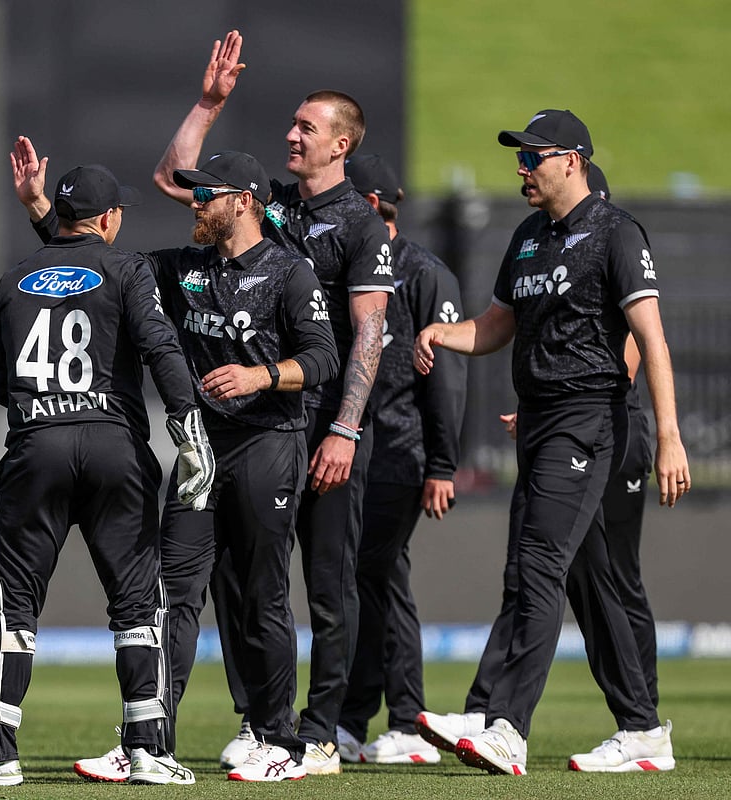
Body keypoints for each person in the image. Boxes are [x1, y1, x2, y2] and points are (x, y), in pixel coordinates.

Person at [14, 140, 339, 781]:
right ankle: (148, 741)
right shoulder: (183, 267)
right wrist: (40, 208)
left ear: (243, 202)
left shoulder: (289, 271)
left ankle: (279, 742)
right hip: (201, 452)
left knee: (263, 597)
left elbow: (324, 356)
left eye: (206, 192)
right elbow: (92, 263)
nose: (195, 200)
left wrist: (260, 376)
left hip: (269, 444)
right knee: (172, 595)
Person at [0, 162, 215, 787]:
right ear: (108, 219)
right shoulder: (128, 269)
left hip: (37, 447)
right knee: (138, 602)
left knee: (10, 602)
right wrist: (189, 432)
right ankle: (148, 750)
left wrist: (48, 408)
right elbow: (161, 348)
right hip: (115, 448)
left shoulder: (14, 278)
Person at [413, 109, 690, 776]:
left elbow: (650, 338)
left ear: (573, 160)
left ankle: (504, 724)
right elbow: (495, 325)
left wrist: (669, 437)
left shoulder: (617, 232)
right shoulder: (528, 236)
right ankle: (642, 729)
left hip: (589, 419)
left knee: (537, 565)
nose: (522, 167)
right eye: (520, 156)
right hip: (539, 421)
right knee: (588, 581)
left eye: (533, 156)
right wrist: (443, 334)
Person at [152, 30, 393, 775]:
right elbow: (175, 180)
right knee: (242, 580)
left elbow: (369, 333)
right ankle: (259, 719)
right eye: (291, 123)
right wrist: (207, 104)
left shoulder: (361, 224)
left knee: (326, 582)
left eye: (306, 127)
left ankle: (320, 731)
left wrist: (346, 428)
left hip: (328, 421)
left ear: (341, 144)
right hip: (267, 422)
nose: (291, 134)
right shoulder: (275, 206)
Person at [325, 154, 466, 766]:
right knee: (368, 580)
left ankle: (402, 721)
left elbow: (447, 378)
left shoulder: (424, 273)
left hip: (402, 453)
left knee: (379, 578)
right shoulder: (345, 266)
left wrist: (442, 464)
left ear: (366, 205)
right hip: (357, 451)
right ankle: (362, 720)